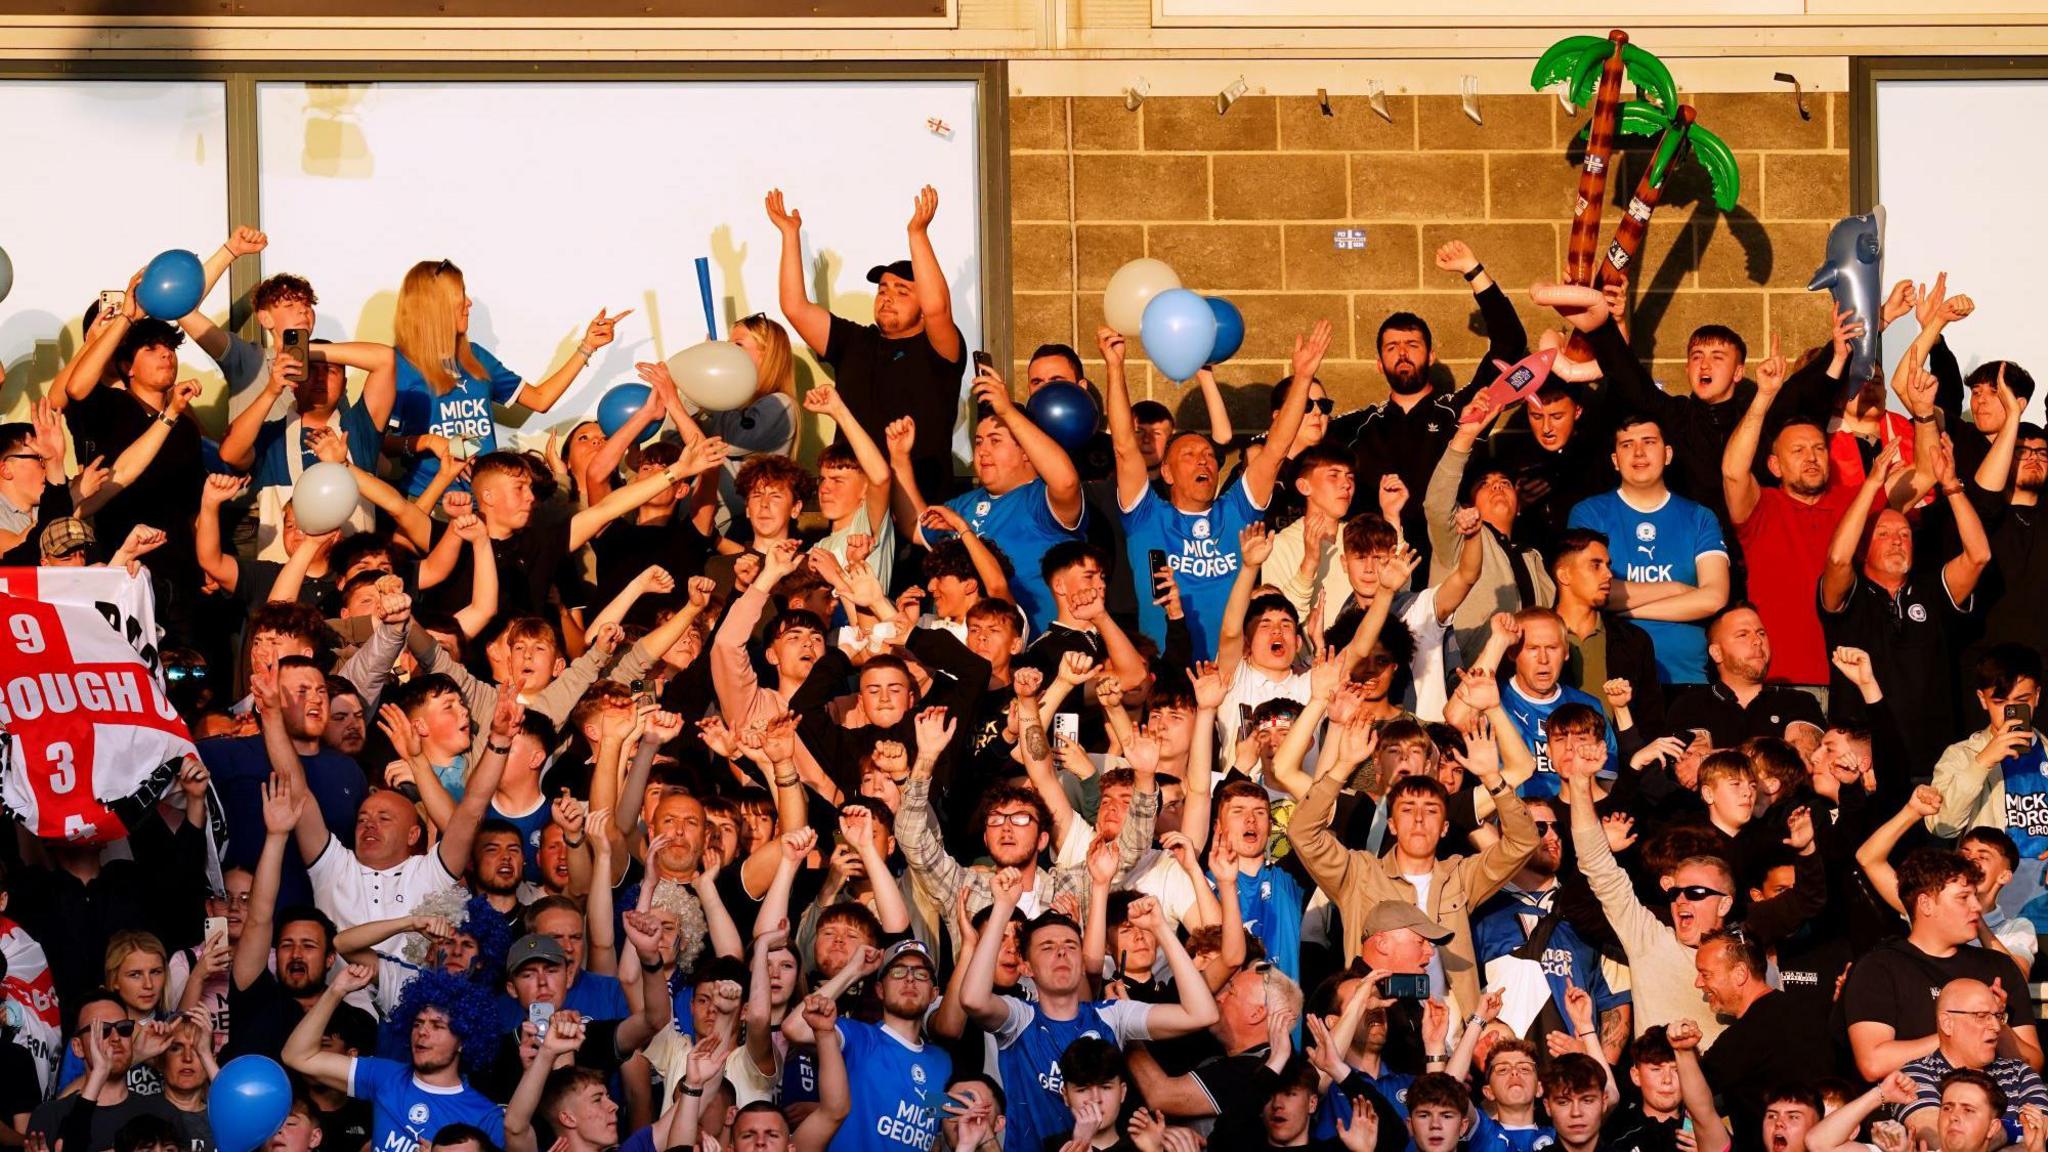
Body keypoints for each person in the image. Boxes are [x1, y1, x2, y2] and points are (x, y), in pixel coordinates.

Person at [1105, 320, 1331, 652]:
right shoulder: (1147, 517)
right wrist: (1115, 366)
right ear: (1166, 472)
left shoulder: (1236, 509)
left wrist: (1303, 378)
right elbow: (1124, 447)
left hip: (1230, 671)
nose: (1203, 461)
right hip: (1169, 672)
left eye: (1210, 456)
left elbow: (1276, 450)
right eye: (1190, 455)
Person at [959, 871, 1217, 1152]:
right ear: (1027, 967)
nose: (1060, 952)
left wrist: (1161, 929)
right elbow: (972, 999)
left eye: (1070, 946)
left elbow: (1202, 1014)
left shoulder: (1112, 1016)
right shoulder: (1018, 1018)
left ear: (1081, 964)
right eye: (1047, 947)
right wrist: (1003, 907)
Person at [768, 186, 964, 500]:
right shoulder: (855, 341)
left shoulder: (938, 349)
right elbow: (795, 307)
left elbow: (938, 307)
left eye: (902, 291)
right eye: (883, 289)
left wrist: (917, 233)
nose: (887, 297)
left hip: (919, 502)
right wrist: (789, 234)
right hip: (853, 503)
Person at [1841, 849, 2040, 1080]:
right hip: (1910, 1108)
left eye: (1975, 895)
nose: (1976, 906)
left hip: (1991, 1109)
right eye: (1963, 897)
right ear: (1925, 904)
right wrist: (1962, 1031)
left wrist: (1994, 1021)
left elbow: (2033, 1064)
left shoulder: (1999, 967)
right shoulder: (1879, 967)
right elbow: (1873, 1063)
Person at [1566, 415, 1730, 686]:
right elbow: (1588, 591)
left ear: (1667, 454)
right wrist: (1676, 588)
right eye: (1627, 444)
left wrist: (1627, 611)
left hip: (1684, 677)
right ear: (1615, 460)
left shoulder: (1699, 517)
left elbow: (1714, 597)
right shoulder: (1589, 513)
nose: (1639, 452)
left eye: (1649, 442)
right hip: (1610, 676)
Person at [1694, 930, 1837, 1152]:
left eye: (1706, 974)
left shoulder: (1743, 1036)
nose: (1698, 983)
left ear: (1740, 974)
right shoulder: (1809, 1012)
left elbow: (1691, 1089)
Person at [1895, 979, 2048, 1148]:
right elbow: (1944, 1142)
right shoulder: (1914, 1075)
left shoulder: (2020, 1074)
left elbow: (2038, 1136)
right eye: (1982, 1016)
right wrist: (2010, 1133)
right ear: (1947, 1023)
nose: (1997, 1027)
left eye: (1997, 1016)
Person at [1664, 606, 1825, 748]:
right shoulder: (1690, 706)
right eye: (1743, 635)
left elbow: (1802, 763)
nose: (1757, 641)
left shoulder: (1799, 702)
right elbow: (1689, 770)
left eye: (1761, 633)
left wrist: (1713, 757)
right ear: (1717, 652)